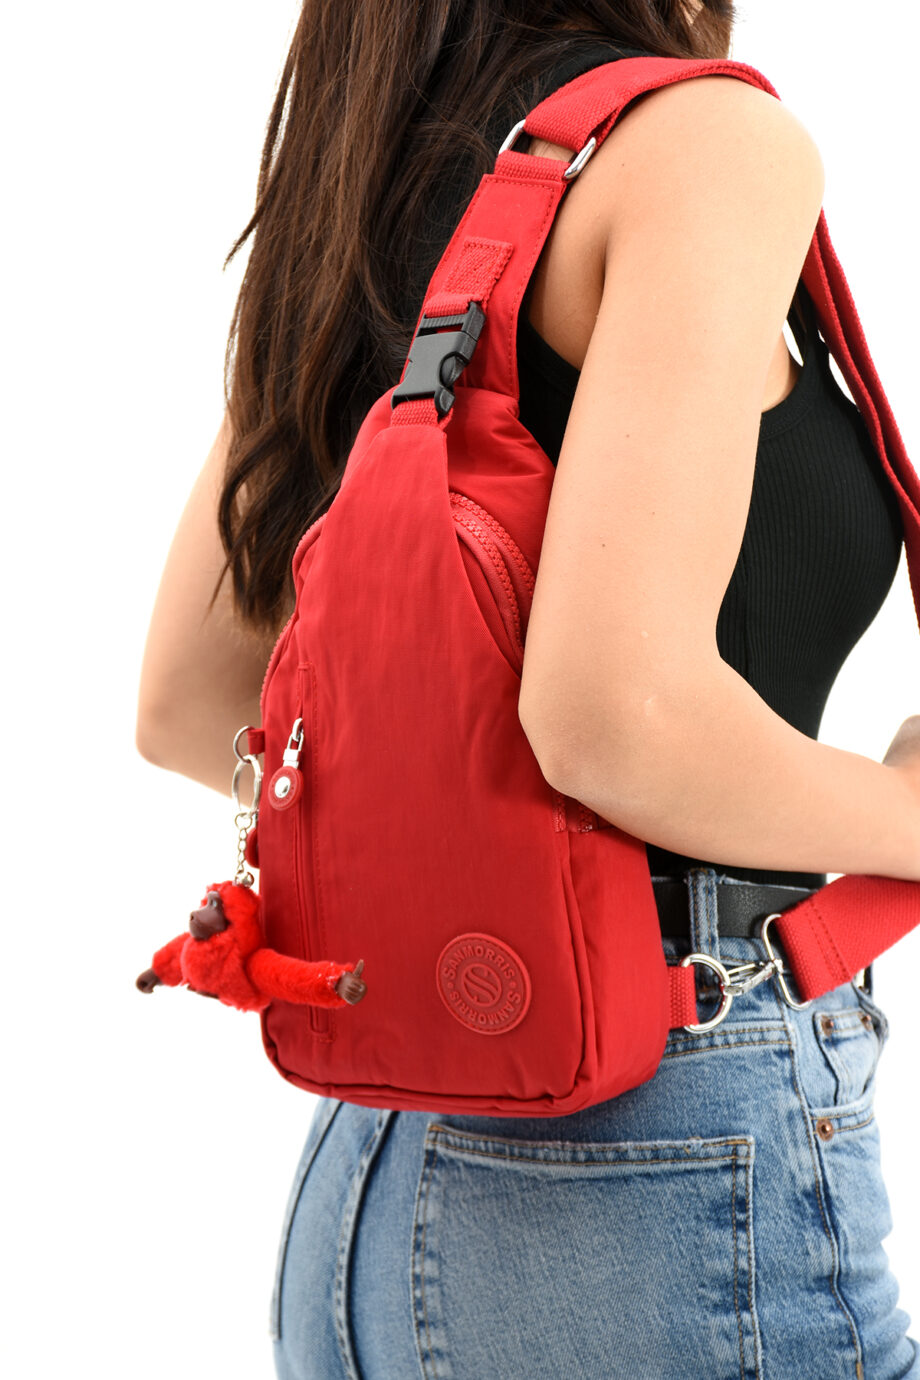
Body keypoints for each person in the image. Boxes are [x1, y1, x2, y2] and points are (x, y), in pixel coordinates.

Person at [135, 2, 920, 1375]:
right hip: (655, 1136)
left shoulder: (365, 179)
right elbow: (620, 721)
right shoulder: (703, 143)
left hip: (375, 1165)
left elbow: (195, 701)